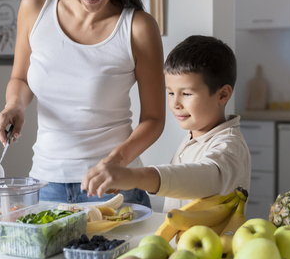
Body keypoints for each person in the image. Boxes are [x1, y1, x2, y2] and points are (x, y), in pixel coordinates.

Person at [0, 0, 165, 208]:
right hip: (44, 185)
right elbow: (20, 79)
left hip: (115, 187)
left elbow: (154, 118)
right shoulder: (34, 7)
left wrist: (115, 161)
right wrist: (14, 106)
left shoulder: (137, 27)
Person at [81, 35, 251, 212]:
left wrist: (134, 176)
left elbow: (205, 177)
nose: (175, 103)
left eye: (186, 94)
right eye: (170, 93)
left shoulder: (230, 146)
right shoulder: (196, 134)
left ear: (223, 95)